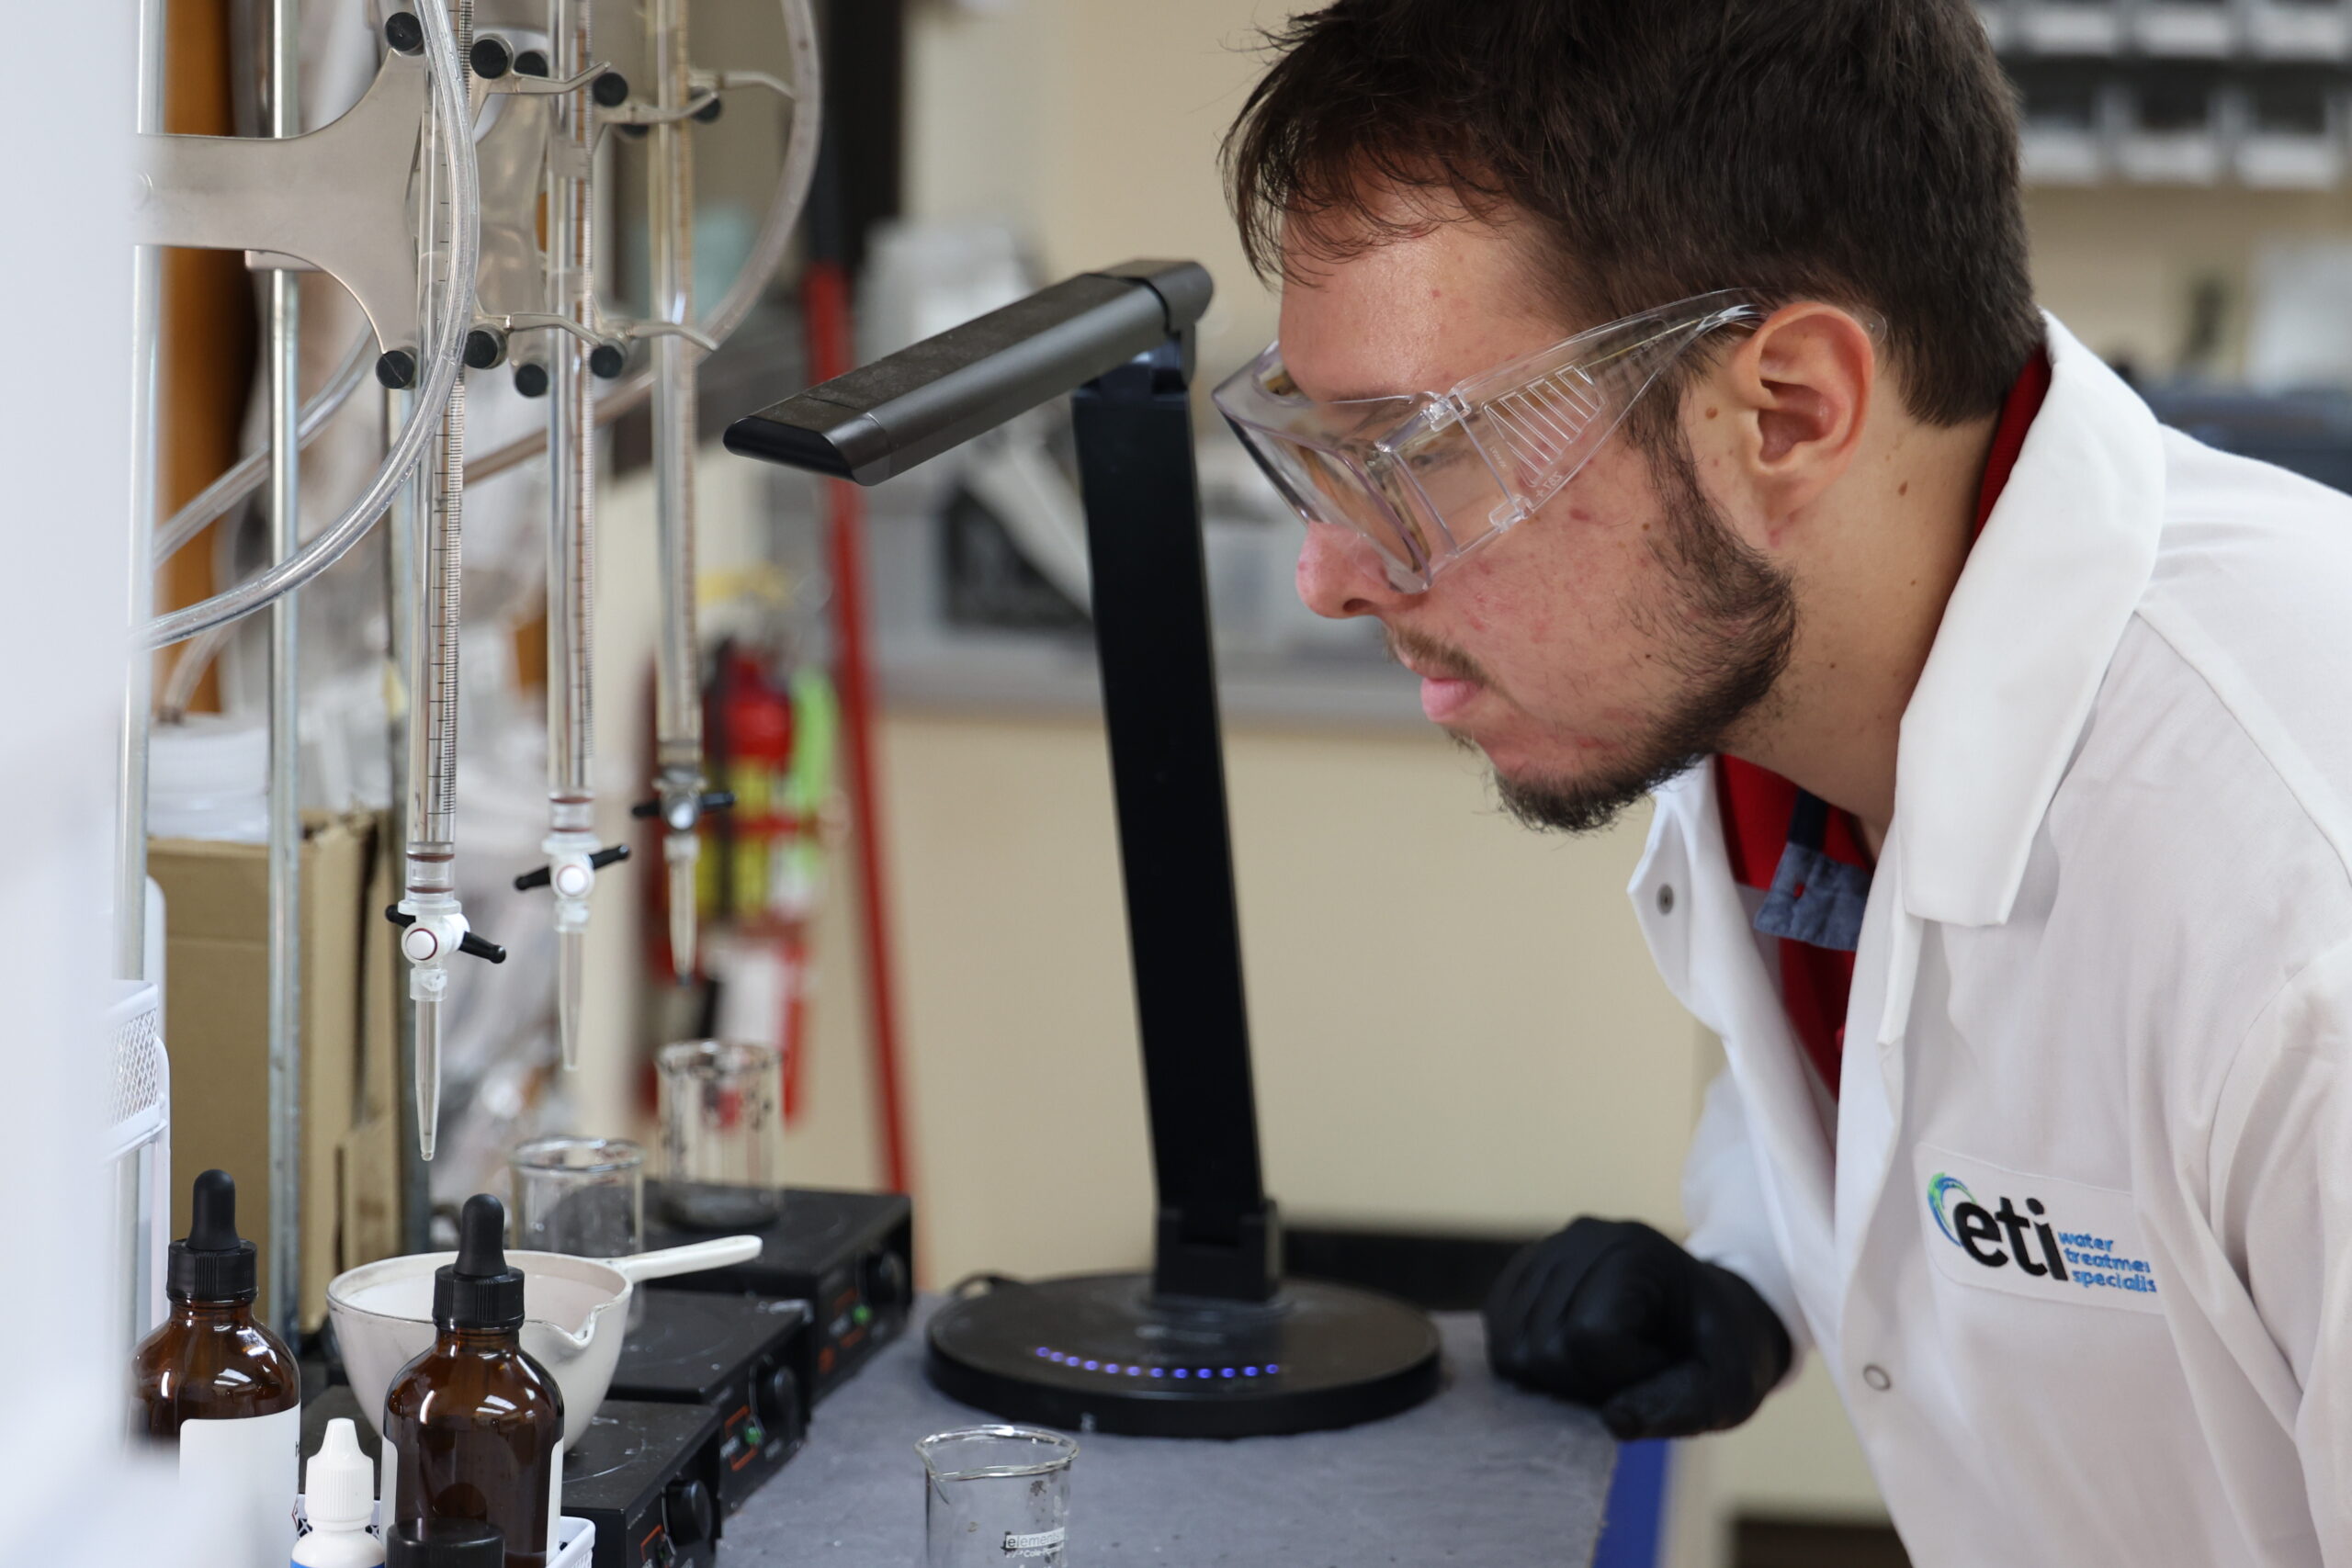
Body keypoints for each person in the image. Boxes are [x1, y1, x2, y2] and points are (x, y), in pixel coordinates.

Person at [1215, 3, 2352, 1562]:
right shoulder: (1795, 674)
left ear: (1790, 411)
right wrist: (1753, 1267)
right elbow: (1934, 1035)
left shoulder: (2299, 910)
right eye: (1322, 457)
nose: (1332, 574)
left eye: (1416, 450)